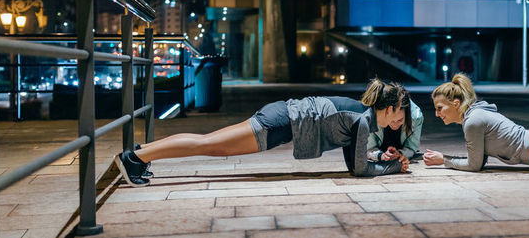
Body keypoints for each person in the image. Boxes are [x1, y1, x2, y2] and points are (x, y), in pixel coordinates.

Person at [114, 79, 419, 187]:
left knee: (209, 145)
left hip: (281, 121)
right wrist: (393, 166)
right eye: (401, 114)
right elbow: (361, 170)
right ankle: (135, 157)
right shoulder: (363, 119)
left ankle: (143, 153)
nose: (401, 121)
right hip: (280, 123)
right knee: (208, 144)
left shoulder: (360, 115)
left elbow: (355, 161)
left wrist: (380, 156)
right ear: (391, 108)